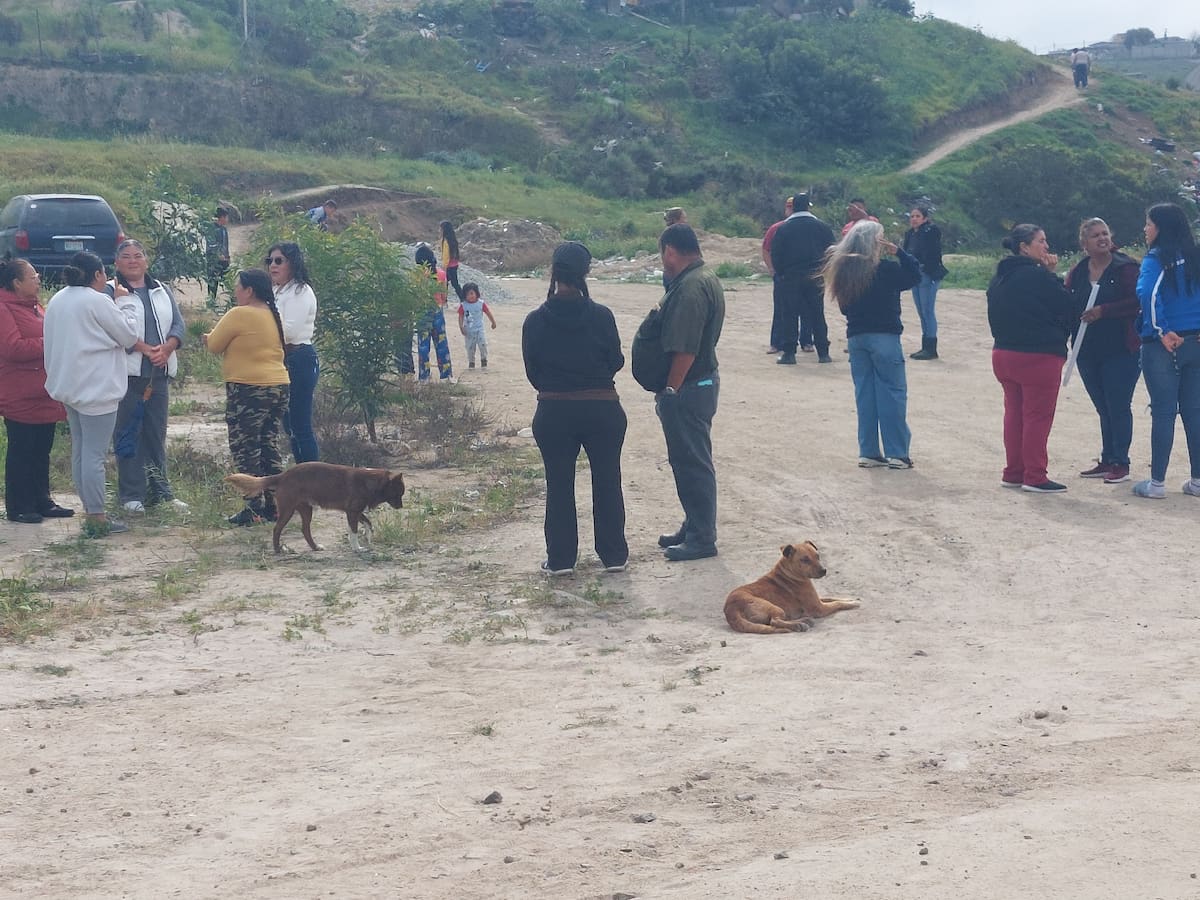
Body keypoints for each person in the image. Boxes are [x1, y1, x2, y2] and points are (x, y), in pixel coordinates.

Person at [522, 242, 628, 575]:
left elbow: (533, 374)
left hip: (554, 412)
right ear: (586, 273)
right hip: (603, 408)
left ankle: (561, 560)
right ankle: (614, 557)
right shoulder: (602, 316)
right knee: (608, 481)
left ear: (553, 272)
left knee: (559, 484)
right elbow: (616, 361)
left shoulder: (535, 321)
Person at [43, 251, 140, 535]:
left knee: (81, 451)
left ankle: (90, 509)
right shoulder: (97, 301)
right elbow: (129, 336)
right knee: (94, 455)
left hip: (69, 386)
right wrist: (125, 302)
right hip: (96, 388)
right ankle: (97, 516)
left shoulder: (59, 299)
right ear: (98, 275)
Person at [986, 224, 1082, 493]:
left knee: (1014, 415)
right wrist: (1051, 275)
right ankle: (1035, 475)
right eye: (1041, 241)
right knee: (1037, 417)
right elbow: (1066, 304)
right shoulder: (1037, 276)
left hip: (1003, 352)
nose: (1046, 247)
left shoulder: (999, 278)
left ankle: (1014, 471)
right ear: (1024, 247)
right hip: (1037, 355)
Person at [655, 224, 725, 562]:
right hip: (700, 384)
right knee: (688, 461)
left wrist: (670, 388)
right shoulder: (702, 277)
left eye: (662, 256)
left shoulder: (691, 289)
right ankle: (694, 524)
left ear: (670, 251)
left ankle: (702, 537)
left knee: (693, 462)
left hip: (689, 387)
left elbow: (685, 349)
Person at [826, 221, 922, 469]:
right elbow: (915, 275)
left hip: (856, 337)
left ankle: (868, 450)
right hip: (885, 336)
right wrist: (900, 252)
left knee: (865, 395)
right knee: (892, 394)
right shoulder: (885, 270)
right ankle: (897, 453)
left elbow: (844, 307)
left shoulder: (844, 270)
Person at [203, 269, 290, 525]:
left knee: (245, 449)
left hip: (248, 389)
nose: (235, 291)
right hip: (279, 386)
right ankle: (277, 505)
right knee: (268, 445)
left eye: (237, 287)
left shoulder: (239, 314)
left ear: (249, 290)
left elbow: (215, 345)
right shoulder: (273, 315)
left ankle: (254, 509)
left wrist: (207, 337)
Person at [108, 239, 188, 514]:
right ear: (116, 263)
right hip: (128, 375)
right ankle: (132, 494)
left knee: (156, 434)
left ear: (146, 260)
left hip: (159, 373)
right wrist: (142, 348)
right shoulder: (111, 291)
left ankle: (161, 492)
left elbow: (178, 323)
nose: (133, 261)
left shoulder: (160, 289)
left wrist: (168, 347)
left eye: (138, 255)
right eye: (126, 256)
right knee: (129, 434)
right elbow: (111, 328)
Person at [1063, 218, 1141, 485]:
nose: (1102, 238)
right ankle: (1107, 458)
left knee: (1118, 406)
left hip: (1121, 349)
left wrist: (1103, 311)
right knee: (1103, 408)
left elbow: (1137, 302)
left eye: (1105, 233)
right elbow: (1068, 302)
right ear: (1084, 243)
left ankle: (1121, 461)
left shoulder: (1126, 267)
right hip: (1087, 350)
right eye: (1095, 235)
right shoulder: (1078, 270)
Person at [1131, 202, 1200, 499]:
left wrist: (1161, 330)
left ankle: (1157, 483)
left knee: (1163, 411)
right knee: (1195, 412)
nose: (1145, 229)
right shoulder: (1195, 256)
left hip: (1165, 344)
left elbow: (1147, 292)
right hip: (1195, 342)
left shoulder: (1158, 258)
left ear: (1160, 227)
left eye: (1148, 224)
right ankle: (1197, 481)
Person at [0, 259, 72, 524]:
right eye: (32, 276)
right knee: (23, 449)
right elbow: (13, 348)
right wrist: (51, 343)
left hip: (44, 391)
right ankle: (19, 506)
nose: (38, 278)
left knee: (42, 449)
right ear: (17, 283)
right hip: (19, 393)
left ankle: (42, 500)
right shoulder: (4, 309)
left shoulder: (35, 307)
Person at [266, 242, 320, 462]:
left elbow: (289, 331)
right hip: (284, 360)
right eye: (270, 261)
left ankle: (313, 478)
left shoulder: (300, 291)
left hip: (300, 358)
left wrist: (260, 332)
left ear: (292, 263)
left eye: (279, 261)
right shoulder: (277, 291)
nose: (273, 266)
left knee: (300, 425)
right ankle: (302, 478)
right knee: (289, 424)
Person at [769, 193, 835, 364]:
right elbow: (831, 251)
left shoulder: (783, 229)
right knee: (817, 313)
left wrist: (782, 273)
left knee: (789, 314)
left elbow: (776, 254)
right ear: (808, 207)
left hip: (791, 276)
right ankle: (823, 353)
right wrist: (824, 271)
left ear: (794, 207)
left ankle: (789, 353)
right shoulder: (822, 227)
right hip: (815, 275)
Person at [762, 194, 813, 354]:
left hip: (803, 274)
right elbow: (766, 249)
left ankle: (806, 341)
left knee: (806, 309)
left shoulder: (809, 226)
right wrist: (772, 269)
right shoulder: (777, 228)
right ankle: (776, 342)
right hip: (784, 275)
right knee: (781, 310)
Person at [901, 204, 949, 361]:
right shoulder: (910, 234)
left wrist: (924, 268)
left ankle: (931, 347)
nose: (914, 219)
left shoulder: (930, 231)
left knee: (928, 310)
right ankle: (925, 345)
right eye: (912, 216)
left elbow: (932, 253)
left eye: (917, 216)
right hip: (915, 274)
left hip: (927, 274)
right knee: (921, 311)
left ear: (925, 218)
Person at [414, 244, 453, 382]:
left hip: (422, 312)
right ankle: (446, 375)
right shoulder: (441, 274)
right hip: (437, 311)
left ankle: (424, 377)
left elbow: (415, 295)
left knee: (423, 346)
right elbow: (443, 296)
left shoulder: (417, 276)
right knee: (441, 344)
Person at [457, 281, 496, 369]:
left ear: (476, 293)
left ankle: (484, 360)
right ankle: (471, 362)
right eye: (467, 294)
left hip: (479, 329)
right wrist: (461, 327)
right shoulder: (463, 305)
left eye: (472, 293)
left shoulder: (481, 304)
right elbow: (460, 316)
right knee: (470, 347)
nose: (470, 296)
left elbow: (488, 312)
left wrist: (493, 322)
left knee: (483, 345)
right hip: (469, 331)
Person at [205, 207, 231, 303]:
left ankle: (232, 301)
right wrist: (218, 255)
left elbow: (225, 245)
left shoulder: (224, 229)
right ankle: (211, 302)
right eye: (226, 217)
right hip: (213, 261)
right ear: (222, 217)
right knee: (213, 281)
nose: (227, 220)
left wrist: (227, 257)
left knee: (228, 280)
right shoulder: (212, 229)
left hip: (224, 260)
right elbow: (211, 244)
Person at [439, 220, 464, 301]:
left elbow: (446, 256)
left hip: (448, 266)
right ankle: (462, 299)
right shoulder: (453, 239)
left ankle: (444, 300)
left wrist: (444, 267)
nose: (439, 231)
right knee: (454, 283)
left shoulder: (445, 241)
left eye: (441, 229)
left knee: (444, 283)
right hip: (454, 264)